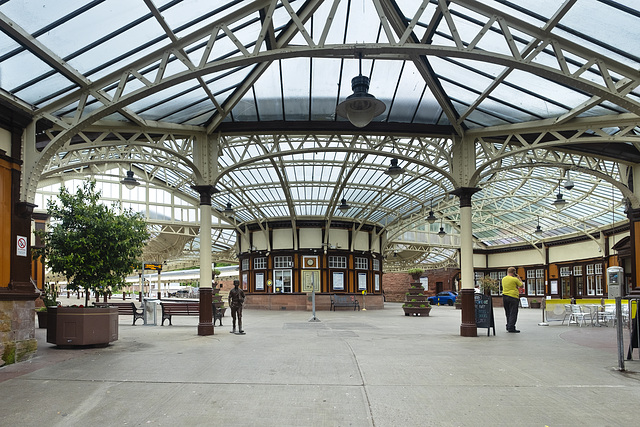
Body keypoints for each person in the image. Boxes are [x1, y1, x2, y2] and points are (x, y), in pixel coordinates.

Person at [502, 267, 523, 333]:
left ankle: (508, 325)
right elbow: (521, 285)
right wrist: (519, 278)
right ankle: (511, 327)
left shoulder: (503, 279)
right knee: (513, 312)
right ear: (514, 272)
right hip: (513, 297)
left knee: (507, 312)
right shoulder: (514, 279)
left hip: (505, 296)